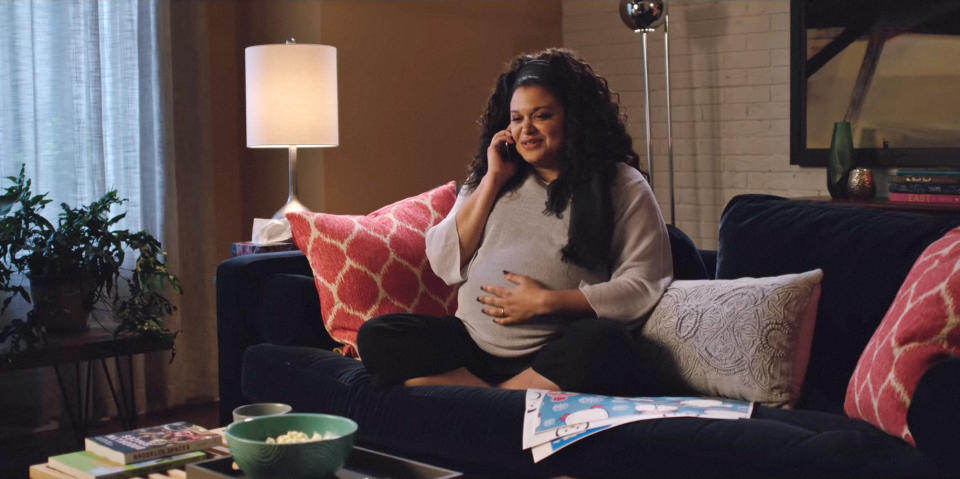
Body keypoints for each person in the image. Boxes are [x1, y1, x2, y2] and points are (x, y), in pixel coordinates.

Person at [357, 48, 673, 396]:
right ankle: (505, 402)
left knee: (606, 343)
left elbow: (644, 283)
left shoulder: (621, 184)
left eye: (541, 115)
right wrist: (492, 179)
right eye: (517, 118)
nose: (527, 130)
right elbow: (443, 261)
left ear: (575, 118)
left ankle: (480, 401)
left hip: (549, 355)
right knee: (379, 335)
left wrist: (547, 302)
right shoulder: (492, 177)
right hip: (472, 345)